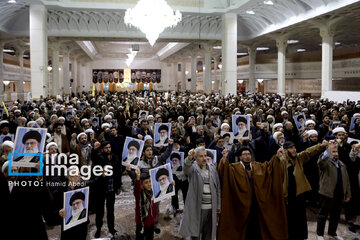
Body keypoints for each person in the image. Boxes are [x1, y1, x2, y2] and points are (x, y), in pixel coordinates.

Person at [217, 147, 287, 240]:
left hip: (256, 203)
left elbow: (269, 167)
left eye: (249, 154)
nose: (247, 156)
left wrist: (277, 157)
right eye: (245, 154)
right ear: (240, 157)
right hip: (241, 204)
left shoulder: (257, 166)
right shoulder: (235, 167)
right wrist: (224, 158)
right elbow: (224, 170)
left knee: (256, 227)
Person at [279, 140, 328, 240]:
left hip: (300, 193)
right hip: (288, 195)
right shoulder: (281, 161)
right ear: (285, 150)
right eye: (291, 148)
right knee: (290, 218)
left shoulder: (299, 158)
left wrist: (321, 146)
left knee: (300, 217)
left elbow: (308, 152)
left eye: (294, 148)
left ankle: (300, 236)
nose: (294, 150)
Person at [179, 147, 221, 240]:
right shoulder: (193, 168)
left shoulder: (213, 168)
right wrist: (189, 158)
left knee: (208, 234)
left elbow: (217, 188)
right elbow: (186, 169)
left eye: (205, 156)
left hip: (211, 208)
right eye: (201, 156)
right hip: (198, 208)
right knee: (195, 234)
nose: (204, 158)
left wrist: (218, 205)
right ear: (196, 158)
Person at [316, 140, 351, 240]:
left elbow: (347, 180)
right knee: (323, 215)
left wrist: (347, 194)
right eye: (333, 152)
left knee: (335, 215)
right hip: (327, 193)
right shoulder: (325, 163)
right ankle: (320, 234)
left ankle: (332, 232)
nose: (335, 153)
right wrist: (328, 150)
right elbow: (321, 162)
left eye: (336, 152)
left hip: (339, 194)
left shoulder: (342, 164)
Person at [92, 141, 122, 238]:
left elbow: (118, 173)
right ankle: (98, 229)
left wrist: (118, 186)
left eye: (109, 147)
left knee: (110, 210)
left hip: (111, 189)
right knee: (100, 211)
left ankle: (111, 228)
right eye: (106, 148)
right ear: (102, 149)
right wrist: (94, 149)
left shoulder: (115, 157)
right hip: (101, 189)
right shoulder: (99, 157)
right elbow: (93, 158)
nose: (108, 149)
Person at [134, 168, 158, 240]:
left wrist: (171, 183)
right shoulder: (140, 194)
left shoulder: (153, 192)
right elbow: (137, 189)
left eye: (150, 181)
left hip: (151, 224)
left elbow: (164, 190)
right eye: (146, 182)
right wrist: (138, 178)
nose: (149, 184)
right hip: (141, 224)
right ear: (142, 184)